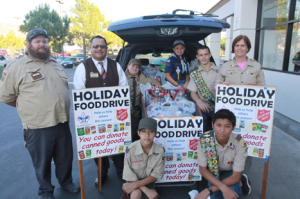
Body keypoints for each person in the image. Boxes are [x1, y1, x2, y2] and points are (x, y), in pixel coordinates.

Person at [0, 29, 80, 199]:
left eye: (44, 41)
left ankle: (66, 182)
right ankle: (46, 190)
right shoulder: (16, 66)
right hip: (38, 126)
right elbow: (7, 97)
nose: (42, 44)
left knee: (65, 158)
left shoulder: (55, 64)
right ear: (28, 44)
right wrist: (30, 108)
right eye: (37, 41)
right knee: (42, 162)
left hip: (62, 121)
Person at [73, 35, 128, 184]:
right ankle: (102, 173)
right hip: (93, 118)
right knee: (98, 149)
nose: (99, 49)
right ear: (90, 48)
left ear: (106, 49)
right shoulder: (82, 67)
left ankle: (122, 175)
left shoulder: (115, 66)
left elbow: (123, 89)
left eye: (102, 46)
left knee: (117, 147)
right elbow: (80, 93)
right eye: (95, 46)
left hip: (115, 117)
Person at [216, 35, 266, 196]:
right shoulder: (225, 66)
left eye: (243, 45)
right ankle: (230, 173)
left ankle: (243, 175)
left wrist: (256, 87)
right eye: (237, 45)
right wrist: (222, 86)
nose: (239, 48)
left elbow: (265, 91)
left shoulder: (256, 66)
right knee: (229, 140)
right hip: (229, 114)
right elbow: (217, 87)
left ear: (248, 48)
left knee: (247, 141)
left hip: (249, 113)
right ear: (233, 47)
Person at [195, 109, 249, 199]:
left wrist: (209, 189)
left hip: (231, 172)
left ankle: (241, 182)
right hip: (213, 172)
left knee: (231, 194)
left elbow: (235, 176)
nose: (222, 130)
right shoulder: (205, 140)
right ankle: (240, 182)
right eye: (218, 125)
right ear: (212, 125)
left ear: (233, 127)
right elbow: (203, 170)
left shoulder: (240, 143)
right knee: (216, 196)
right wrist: (222, 187)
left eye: (227, 126)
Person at [122, 117, 165, 199]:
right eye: (143, 131)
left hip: (149, 182)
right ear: (138, 133)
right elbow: (129, 175)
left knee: (153, 196)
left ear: (156, 133)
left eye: (151, 131)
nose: (147, 135)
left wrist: (146, 189)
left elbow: (155, 175)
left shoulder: (160, 151)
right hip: (132, 181)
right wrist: (146, 190)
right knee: (135, 194)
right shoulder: (130, 150)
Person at [125, 58, 161, 142]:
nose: (135, 68)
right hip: (123, 109)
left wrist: (157, 83)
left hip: (136, 110)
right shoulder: (121, 76)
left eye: (137, 67)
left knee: (134, 129)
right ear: (128, 66)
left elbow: (153, 80)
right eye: (133, 66)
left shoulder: (141, 77)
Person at [187, 46, 220, 132]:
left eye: (206, 54)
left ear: (210, 55)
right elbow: (193, 92)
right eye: (201, 55)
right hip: (204, 108)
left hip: (218, 108)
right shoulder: (194, 73)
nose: (204, 57)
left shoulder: (220, 71)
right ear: (197, 57)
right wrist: (198, 101)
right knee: (204, 133)